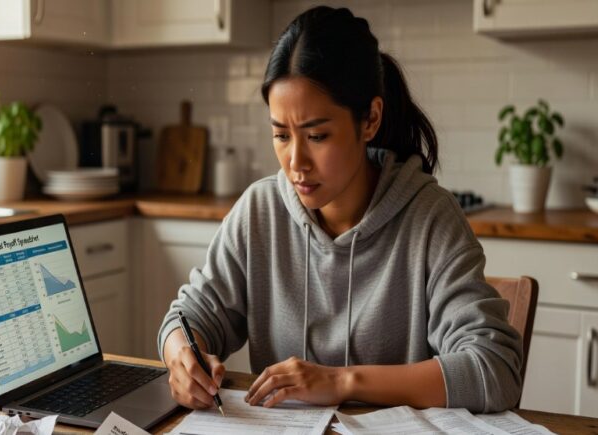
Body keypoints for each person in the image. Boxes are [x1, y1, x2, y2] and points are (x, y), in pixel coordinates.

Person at [157, 6, 522, 414]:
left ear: (370, 120)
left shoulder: (430, 218)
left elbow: (495, 369)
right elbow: (187, 318)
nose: (296, 161)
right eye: (280, 134)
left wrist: (339, 381)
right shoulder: (259, 211)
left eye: (317, 135)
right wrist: (181, 357)